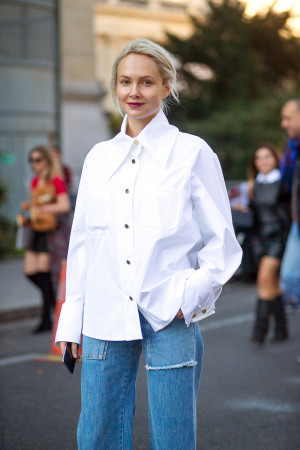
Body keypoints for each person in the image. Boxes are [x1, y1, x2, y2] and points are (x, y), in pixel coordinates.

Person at [55, 38, 242, 449]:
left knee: (173, 438)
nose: (134, 93)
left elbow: (222, 243)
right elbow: (83, 243)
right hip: (104, 314)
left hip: (169, 314)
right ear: (115, 86)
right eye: (125, 82)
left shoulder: (192, 153)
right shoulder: (98, 158)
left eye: (145, 82)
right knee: (97, 434)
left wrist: (190, 296)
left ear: (166, 85)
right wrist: (72, 318)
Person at [243, 143, 290, 344]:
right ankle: (281, 330)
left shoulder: (284, 182)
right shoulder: (254, 185)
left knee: (264, 280)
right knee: (272, 284)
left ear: (275, 159)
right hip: (260, 240)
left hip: (279, 237)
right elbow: (255, 215)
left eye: (267, 157)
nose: (263, 161)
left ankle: (259, 333)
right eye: (258, 158)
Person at [23, 146, 71, 333]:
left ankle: (46, 319)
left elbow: (64, 205)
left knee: (45, 274)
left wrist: (43, 210)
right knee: (31, 271)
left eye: (38, 160)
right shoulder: (35, 181)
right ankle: (52, 305)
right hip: (36, 230)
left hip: (52, 231)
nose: (34, 164)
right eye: (31, 160)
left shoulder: (56, 180)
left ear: (46, 161)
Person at [280, 99, 300, 311]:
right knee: (289, 276)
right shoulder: (292, 147)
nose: (284, 124)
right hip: (296, 221)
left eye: (287, 118)